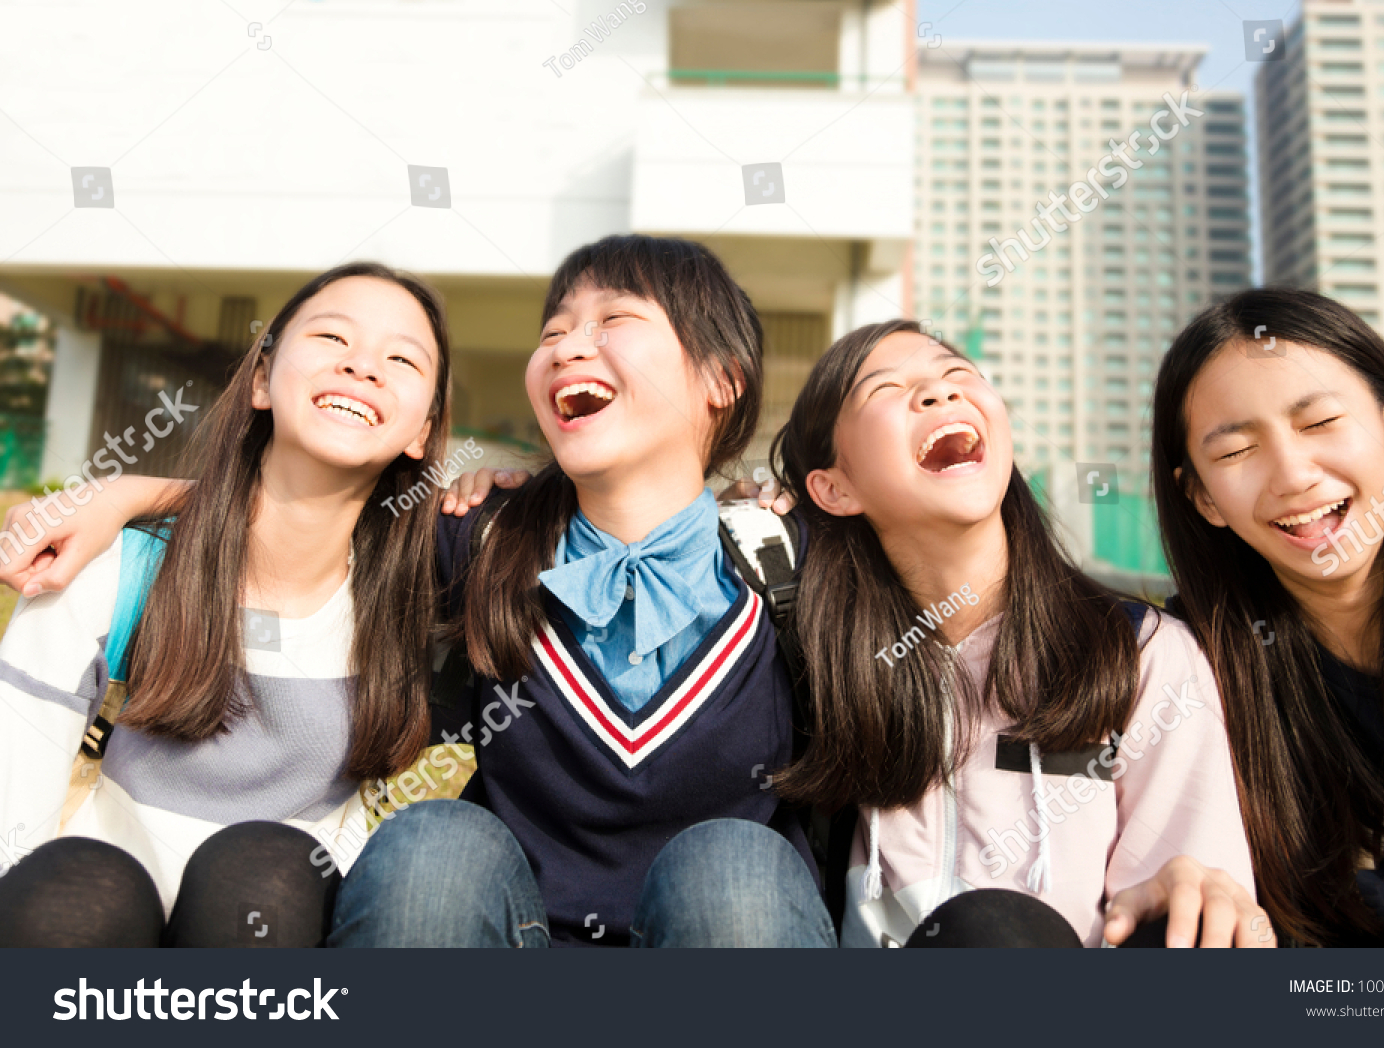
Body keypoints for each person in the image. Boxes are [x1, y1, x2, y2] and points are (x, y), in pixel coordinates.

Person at [1, 236, 831, 948]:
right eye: (555, 331)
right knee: (435, 843)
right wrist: (130, 492)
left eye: (613, 321)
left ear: (722, 379)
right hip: (509, 941)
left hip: (721, 939)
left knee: (735, 863)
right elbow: (308, 515)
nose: (571, 346)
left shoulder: (795, 563)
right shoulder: (481, 542)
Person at [762, 319, 1264, 947]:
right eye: (884, 388)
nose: (940, 395)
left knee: (991, 933)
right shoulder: (810, 650)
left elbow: (1192, 895)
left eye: (957, 376)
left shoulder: (1137, 651)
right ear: (835, 488)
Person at [0, 262, 453, 946]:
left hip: (281, 944)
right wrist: (126, 494)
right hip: (96, 930)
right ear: (263, 380)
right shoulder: (106, 569)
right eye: (331, 337)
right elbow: (12, 810)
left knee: (260, 871)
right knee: (76, 888)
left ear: (422, 429)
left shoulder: (418, 602)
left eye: (401, 359)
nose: (362, 366)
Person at [1144, 287, 1384, 946]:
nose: (1292, 475)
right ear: (1202, 497)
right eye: (1234, 452)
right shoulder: (1176, 673)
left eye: (1318, 423)